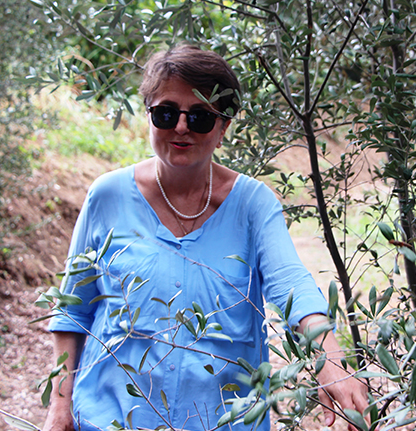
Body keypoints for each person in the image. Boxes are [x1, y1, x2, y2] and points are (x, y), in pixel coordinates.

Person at [42, 44, 368, 431]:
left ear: (224, 126)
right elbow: (72, 311)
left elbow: (289, 282)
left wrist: (329, 358)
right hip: (108, 420)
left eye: (199, 117)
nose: (180, 127)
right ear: (147, 115)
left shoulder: (253, 205)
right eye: (166, 113)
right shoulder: (107, 196)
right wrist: (59, 408)